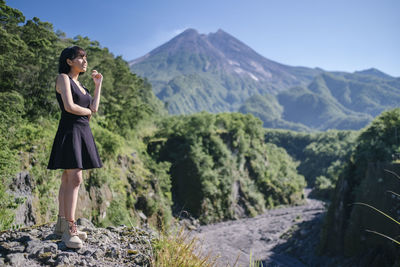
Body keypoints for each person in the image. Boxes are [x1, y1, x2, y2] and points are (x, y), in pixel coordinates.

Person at [47, 46, 103, 249]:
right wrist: (86, 111)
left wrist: (98, 85)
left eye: (86, 58)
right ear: (70, 61)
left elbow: (94, 109)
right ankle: (70, 229)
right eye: (80, 57)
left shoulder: (81, 85)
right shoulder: (63, 78)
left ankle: (61, 225)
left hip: (82, 131)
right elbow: (70, 107)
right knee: (75, 177)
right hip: (70, 130)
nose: (85, 61)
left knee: (67, 177)